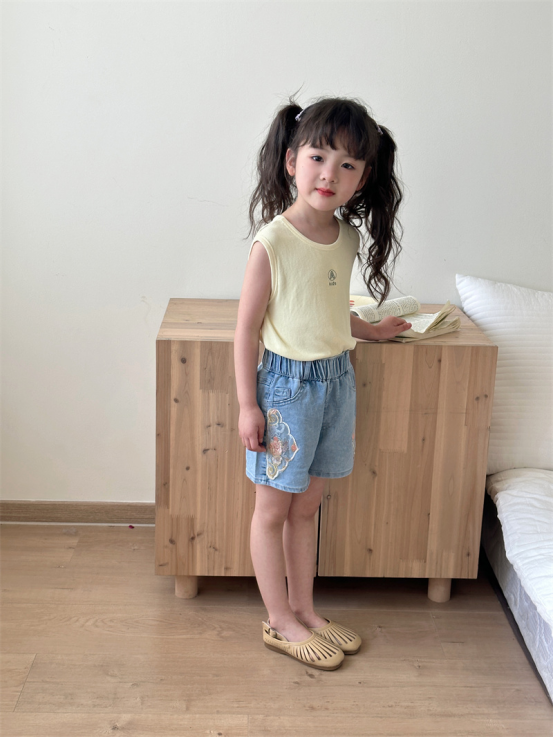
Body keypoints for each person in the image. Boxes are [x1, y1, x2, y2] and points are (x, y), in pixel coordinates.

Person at [234, 95, 412, 670]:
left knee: (307, 508)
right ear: (292, 161)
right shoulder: (273, 242)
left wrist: (371, 330)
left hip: (336, 383)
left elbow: (328, 310)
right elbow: (246, 330)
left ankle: (305, 609)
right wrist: (247, 405)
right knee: (272, 511)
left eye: (347, 164)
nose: (329, 174)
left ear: (363, 178)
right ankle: (278, 620)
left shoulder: (346, 238)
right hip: (286, 392)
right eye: (318, 157)